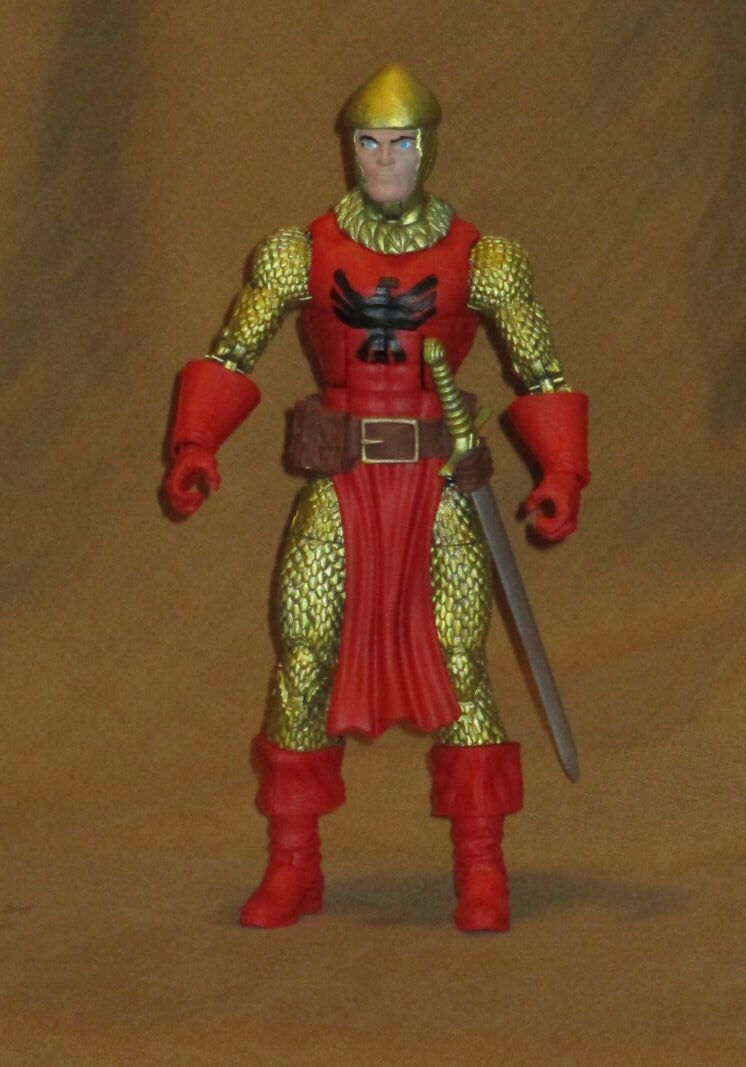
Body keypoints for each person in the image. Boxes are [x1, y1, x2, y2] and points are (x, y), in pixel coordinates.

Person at [164, 65, 589, 933]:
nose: (384, 159)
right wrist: (195, 442)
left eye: (399, 143)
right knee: (304, 654)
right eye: (369, 142)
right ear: (350, 148)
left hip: (440, 489)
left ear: (426, 148)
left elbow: (542, 370)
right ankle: (293, 863)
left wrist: (560, 473)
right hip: (342, 485)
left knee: (463, 663)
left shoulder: (485, 261)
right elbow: (234, 349)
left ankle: (481, 866)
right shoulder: (298, 253)